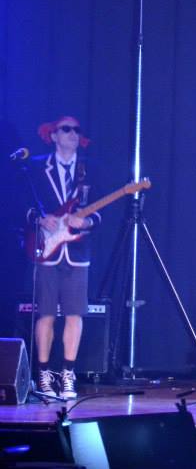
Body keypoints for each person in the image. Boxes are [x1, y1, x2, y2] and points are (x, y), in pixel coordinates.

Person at [24, 116, 100, 400]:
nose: (72, 134)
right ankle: (44, 375)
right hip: (46, 249)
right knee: (45, 314)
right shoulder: (35, 167)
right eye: (66, 129)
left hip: (77, 251)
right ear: (53, 135)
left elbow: (100, 210)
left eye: (76, 130)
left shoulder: (89, 169)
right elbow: (22, 205)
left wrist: (87, 221)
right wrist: (39, 219)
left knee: (74, 313)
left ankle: (68, 374)